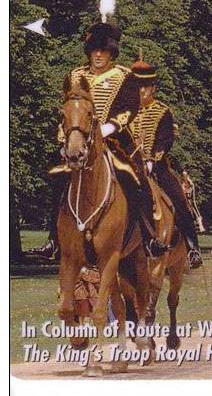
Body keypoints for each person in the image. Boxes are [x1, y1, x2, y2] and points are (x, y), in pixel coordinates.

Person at [29, 21, 168, 259]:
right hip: (78, 139)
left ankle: (148, 236)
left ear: (112, 52)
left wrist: (109, 126)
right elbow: (67, 106)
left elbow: (129, 107)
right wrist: (65, 132)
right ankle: (53, 239)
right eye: (95, 50)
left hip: (115, 140)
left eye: (104, 51)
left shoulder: (125, 76)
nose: (99, 55)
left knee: (137, 179)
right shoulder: (75, 75)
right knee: (56, 178)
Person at [128, 58, 203, 268]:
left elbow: (165, 139)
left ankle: (192, 248)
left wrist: (153, 159)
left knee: (180, 201)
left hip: (157, 168)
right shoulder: (125, 112)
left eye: (145, 87)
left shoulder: (162, 111)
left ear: (153, 88)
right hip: (129, 167)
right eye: (137, 87)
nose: (141, 91)